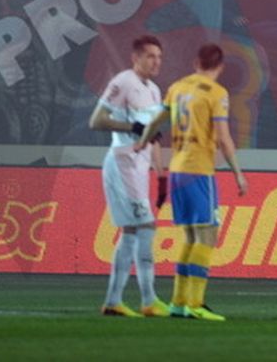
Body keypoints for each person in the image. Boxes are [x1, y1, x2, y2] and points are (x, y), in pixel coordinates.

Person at [135, 43, 246, 322]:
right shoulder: (217, 94)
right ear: (220, 66)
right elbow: (223, 138)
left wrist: (141, 140)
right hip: (199, 169)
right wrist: (238, 173)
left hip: (177, 170)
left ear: (196, 62)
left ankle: (178, 303)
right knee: (207, 236)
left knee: (190, 237)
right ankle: (196, 303)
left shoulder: (177, 87)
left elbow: (156, 120)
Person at [88, 36, 169, 318]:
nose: (156, 61)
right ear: (135, 58)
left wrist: (161, 175)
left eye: (159, 56)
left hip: (141, 167)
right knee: (146, 226)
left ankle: (113, 301)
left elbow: (154, 135)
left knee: (133, 232)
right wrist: (130, 126)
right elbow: (96, 120)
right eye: (150, 56)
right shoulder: (122, 82)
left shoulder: (155, 90)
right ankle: (149, 299)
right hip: (122, 162)